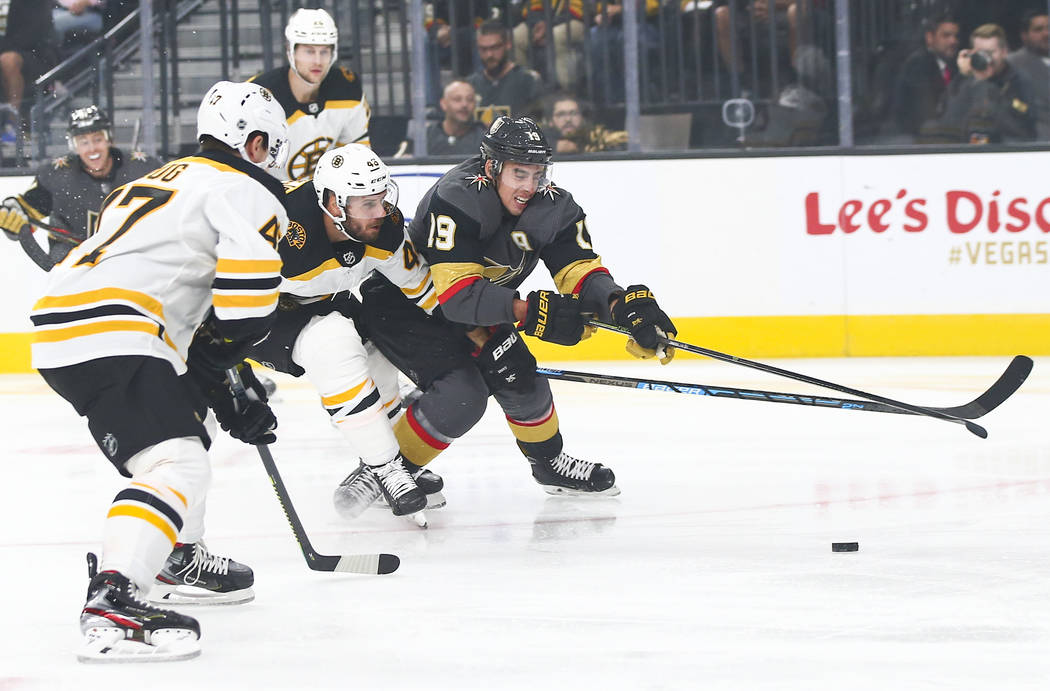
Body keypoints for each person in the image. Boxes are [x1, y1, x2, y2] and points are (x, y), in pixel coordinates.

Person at [30, 80, 290, 662]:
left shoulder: (154, 180)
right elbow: (247, 297)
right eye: (272, 148)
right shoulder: (246, 190)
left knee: (189, 424)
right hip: (120, 325)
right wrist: (231, 355)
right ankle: (114, 597)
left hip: (68, 318)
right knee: (177, 460)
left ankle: (177, 552)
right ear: (252, 145)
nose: (275, 163)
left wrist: (221, 382)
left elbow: (182, 294)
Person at [351, 116, 676, 501]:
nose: (530, 186)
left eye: (538, 173)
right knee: (463, 395)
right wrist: (527, 312)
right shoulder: (457, 198)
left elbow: (578, 270)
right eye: (519, 173)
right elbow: (456, 296)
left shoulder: (554, 205)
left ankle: (549, 464)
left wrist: (619, 305)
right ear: (492, 167)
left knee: (521, 375)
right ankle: (383, 475)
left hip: (473, 304)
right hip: (406, 306)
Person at [245, 143, 445, 520]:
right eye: (366, 204)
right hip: (263, 314)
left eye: (382, 199)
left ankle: (394, 460)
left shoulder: (384, 228)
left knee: (378, 353)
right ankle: (385, 468)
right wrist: (221, 356)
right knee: (333, 342)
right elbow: (216, 285)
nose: (380, 212)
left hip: (326, 299)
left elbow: (423, 290)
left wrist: (471, 334)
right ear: (334, 205)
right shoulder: (279, 224)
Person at [0, 105, 161, 268]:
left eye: (97, 139)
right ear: (74, 145)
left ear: (109, 139)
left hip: (134, 267)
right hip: (74, 271)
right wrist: (13, 213)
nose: (92, 149)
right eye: (83, 142)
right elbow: (26, 211)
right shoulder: (58, 175)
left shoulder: (143, 169)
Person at [250, 7, 370, 181]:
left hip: (325, 200)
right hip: (272, 199)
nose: (317, 61)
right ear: (290, 51)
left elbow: (358, 157)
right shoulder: (259, 96)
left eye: (324, 51)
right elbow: (245, 171)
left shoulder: (347, 89)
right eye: (309, 51)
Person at [928, 23, 1035, 144]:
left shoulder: (1019, 81)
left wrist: (986, 85)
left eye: (990, 52)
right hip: (965, 149)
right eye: (981, 53)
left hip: (1005, 150)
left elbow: (1020, 127)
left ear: (1004, 52)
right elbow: (948, 121)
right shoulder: (964, 80)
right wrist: (965, 77)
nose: (986, 58)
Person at [891, 14, 960, 137]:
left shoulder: (952, 66)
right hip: (916, 141)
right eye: (946, 35)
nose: (953, 41)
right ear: (930, 37)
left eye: (956, 36)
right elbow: (930, 111)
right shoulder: (918, 65)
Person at [0, 1, 57, 143]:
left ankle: (13, 123)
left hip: (35, 54)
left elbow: (33, 34)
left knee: (8, 60)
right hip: (5, 49)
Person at [468, 20, 543, 123]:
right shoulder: (471, 84)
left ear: (507, 45)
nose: (489, 55)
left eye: (495, 48)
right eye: (483, 49)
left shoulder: (528, 80)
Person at [1008, 10, 1050, 140]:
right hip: (1036, 140)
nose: (1046, 34)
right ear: (1024, 36)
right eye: (1038, 30)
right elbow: (1011, 102)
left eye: (1049, 28)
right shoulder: (1012, 63)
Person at [543, 92, 627, 153]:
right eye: (561, 114)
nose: (568, 119)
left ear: (582, 118)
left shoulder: (597, 137)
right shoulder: (541, 141)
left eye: (574, 113)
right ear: (550, 121)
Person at [425, 79, 488, 155]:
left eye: (470, 99)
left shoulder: (485, 140)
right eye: (457, 99)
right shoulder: (426, 136)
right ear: (443, 104)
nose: (465, 104)